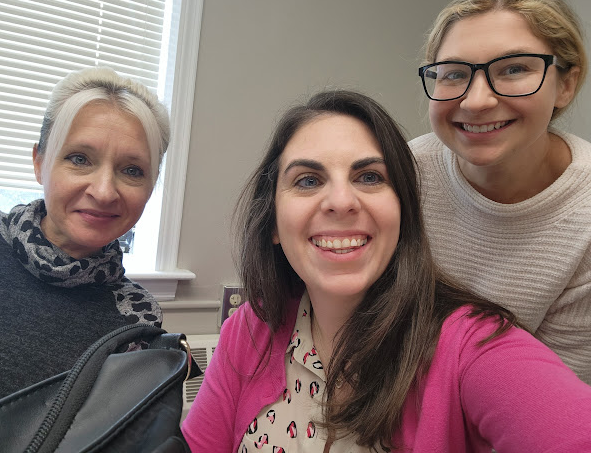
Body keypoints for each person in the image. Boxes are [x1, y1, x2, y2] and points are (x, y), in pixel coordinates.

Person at [181, 90, 591, 452]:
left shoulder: (471, 346)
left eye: (369, 177)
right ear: (272, 222)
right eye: (307, 181)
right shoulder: (250, 329)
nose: (341, 201)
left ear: (403, 213)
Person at [0, 67, 170, 416]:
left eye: (132, 170)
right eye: (79, 159)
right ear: (39, 162)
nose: (104, 191)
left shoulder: (136, 317)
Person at [410, 0, 591, 383]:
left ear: (566, 84)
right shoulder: (403, 172)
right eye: (453, 74)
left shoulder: (585, 221)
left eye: (513, 69)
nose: (476, 101)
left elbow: (546, 397)